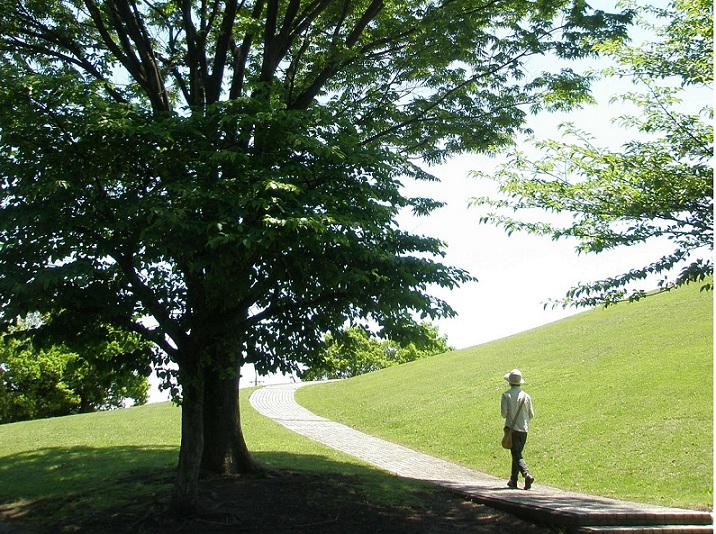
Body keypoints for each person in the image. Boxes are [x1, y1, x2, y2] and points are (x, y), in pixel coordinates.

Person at [501, 368, 535, 490]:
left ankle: (526, 475)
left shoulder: (506, 395)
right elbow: (531, 414)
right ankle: (513, 480)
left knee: (515, 453)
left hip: (512, 429)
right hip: (524, 429)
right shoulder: (526, 396)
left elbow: (504, 414)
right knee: (517, 453)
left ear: (509, 382)